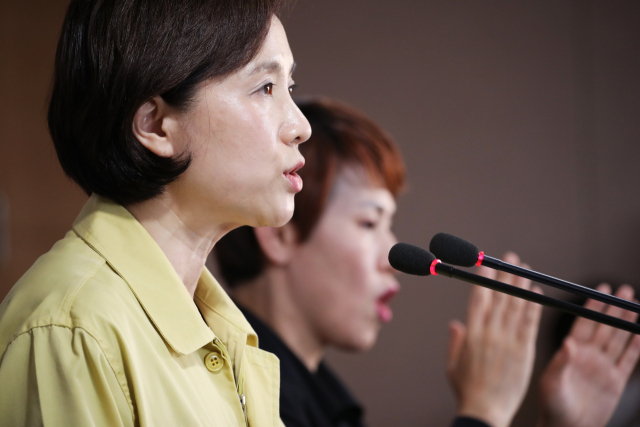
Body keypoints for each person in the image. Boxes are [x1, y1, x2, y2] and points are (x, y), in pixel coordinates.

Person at [214, 97, 640, 427]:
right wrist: (483, 411)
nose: (392, 257)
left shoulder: (320, 398)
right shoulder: (234, 397)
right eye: (369, 222)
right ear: (281, 233)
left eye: (390, 224)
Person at [0, 1, 311, 426]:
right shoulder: (72, 329)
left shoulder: (226, 328)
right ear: (155, 126)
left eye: (288, 87)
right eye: (265, 88)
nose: (300, 126)